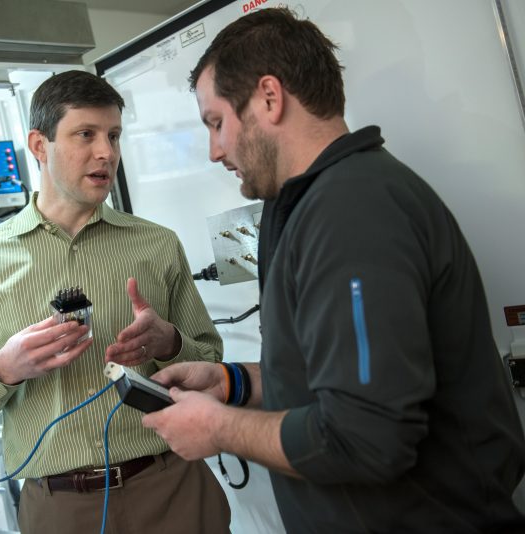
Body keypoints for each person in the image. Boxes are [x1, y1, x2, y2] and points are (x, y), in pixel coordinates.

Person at [141, 7, 525, 533]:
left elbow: (366, 438)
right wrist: (230, 384)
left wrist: (220, 429)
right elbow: (331, 382)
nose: (214, 151)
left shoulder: (354, 210)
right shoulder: (304, 206)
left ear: (269, 99)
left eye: (216, 123)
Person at [0, 70, 230, 533]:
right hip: (59, 509)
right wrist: (5, 369)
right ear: (39, 145)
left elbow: (213, 364)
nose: (106, 153)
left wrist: (170, 343)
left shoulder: (157, 245)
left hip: (170, 487)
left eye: (113, 136)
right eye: (85, 135)